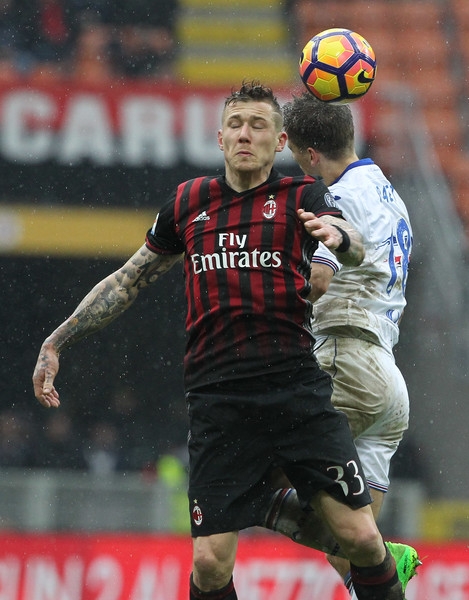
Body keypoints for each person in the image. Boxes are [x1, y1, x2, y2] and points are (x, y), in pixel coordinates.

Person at [33, 80, 405, 600]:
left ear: (280, 142)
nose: (245, 134)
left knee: (361, 538)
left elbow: (354, 242)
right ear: (220, 138)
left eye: (258, 125)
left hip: (297, 392)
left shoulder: (303, 196)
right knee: (209, 565)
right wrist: (57, 340)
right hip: (218, 402)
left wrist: (339, 240)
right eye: (235, 124)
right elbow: (128, 280)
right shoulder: (189, 202)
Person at [261, 91, 420, 598]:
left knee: (244, 477)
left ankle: (380, 556)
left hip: (344, 359)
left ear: (310, 156)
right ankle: (380, 566)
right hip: (388, 384)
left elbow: (320, 277)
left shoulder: (339, 200)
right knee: (356, 559)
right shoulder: (390, 196)